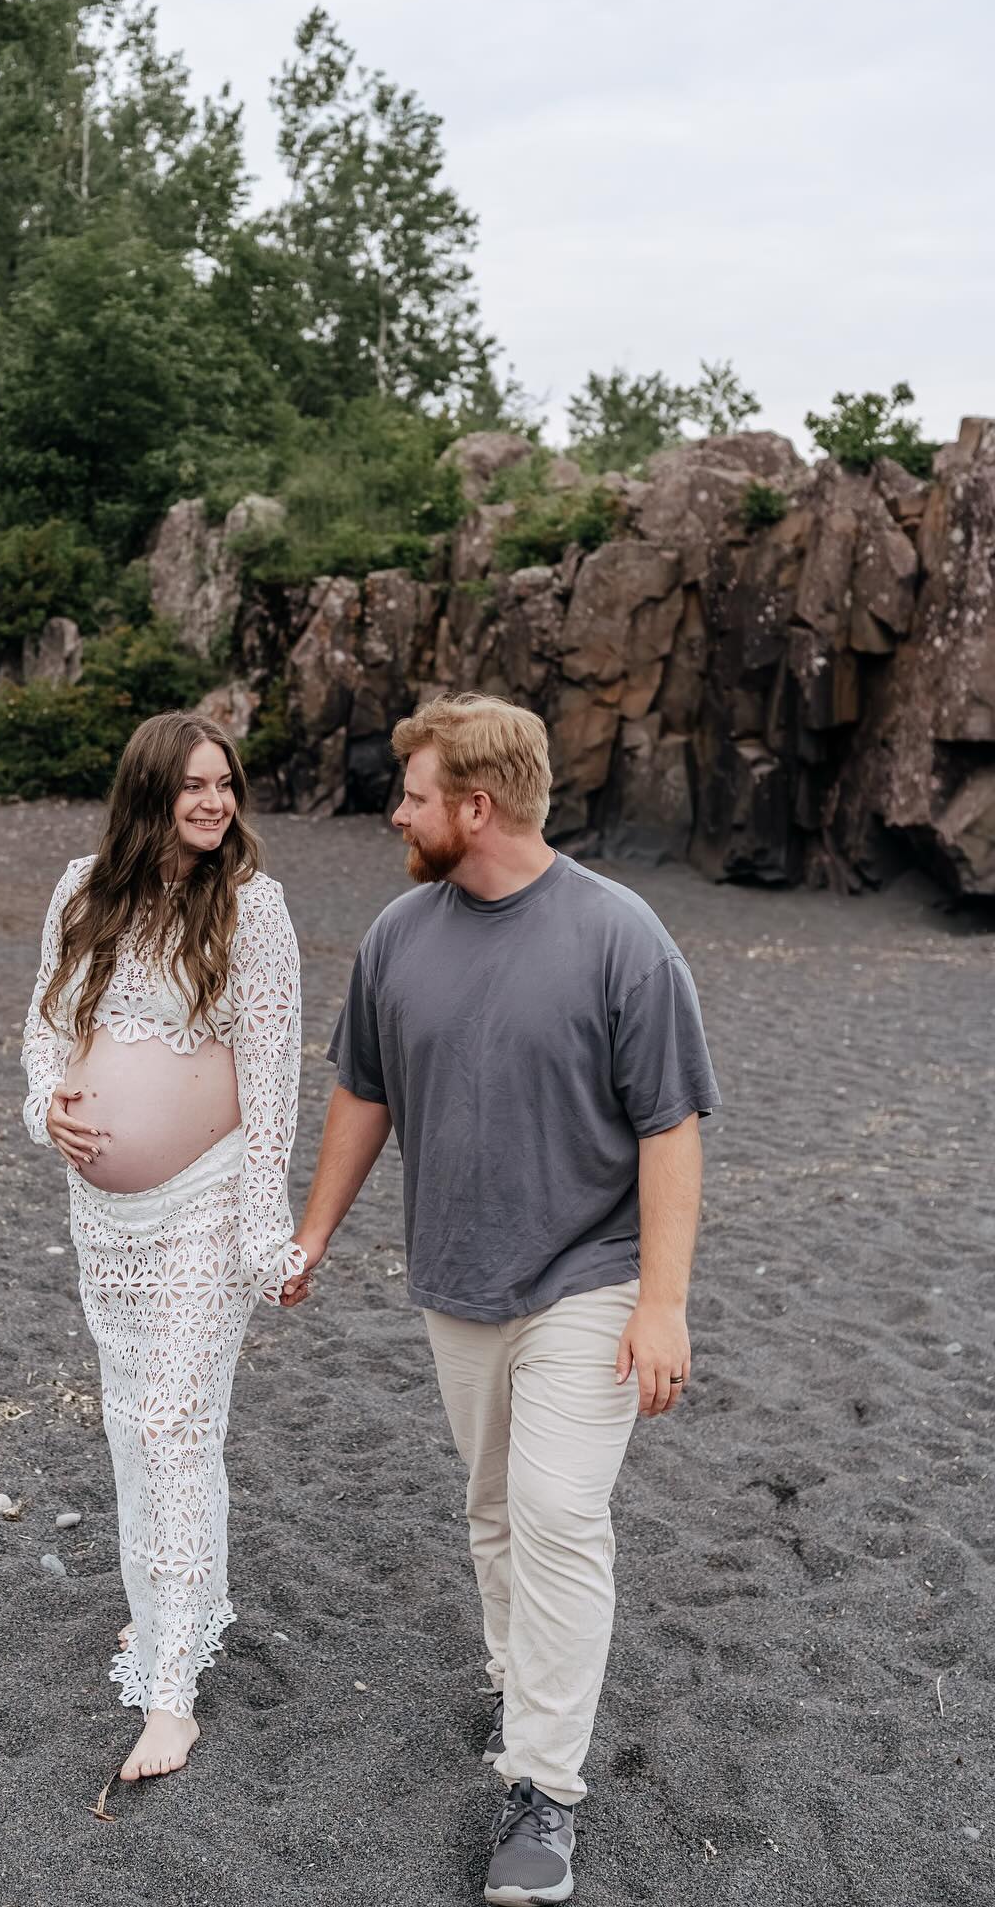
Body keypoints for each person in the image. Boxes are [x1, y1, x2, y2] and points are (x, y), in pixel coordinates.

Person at [282, 693, 720, 1904]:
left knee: (556, 1512)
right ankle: (520, 1679)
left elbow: (670, 1127)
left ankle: (545, 1790)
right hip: (456, 1279)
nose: (396, 814)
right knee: (490, 1509)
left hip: (591, 1274)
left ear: (475, 808)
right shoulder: (396, 936)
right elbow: (364, 1093)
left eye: (413, 795)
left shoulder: (621, 935)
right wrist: (314, 1232)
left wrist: (666, 1304)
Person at [21, 712, 305, 1783]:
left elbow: (272, 1076)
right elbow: (46, 1030)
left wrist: (264, 1229)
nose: (214, 802)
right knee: (134, 1422)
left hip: (206, 1203)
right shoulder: (81, 890)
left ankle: (174, 1694)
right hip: (105, 1218)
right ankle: (165, 1610)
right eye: (192, 785)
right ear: (149, 793)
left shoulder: (253, 908)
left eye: (225, 783)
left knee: (180, 1423)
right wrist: (48, 1109)